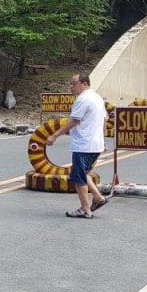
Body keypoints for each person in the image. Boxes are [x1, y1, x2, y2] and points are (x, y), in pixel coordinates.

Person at [46, 73, 109, 218]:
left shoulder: (83, 99)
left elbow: (74, 120)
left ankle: (85, 209)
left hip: (83, 145)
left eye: (73, 83)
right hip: (95, 144)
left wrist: (55, 135)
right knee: (83, 173)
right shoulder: (97, 98)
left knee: (78, 178)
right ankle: (98, 198)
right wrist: (102, 140)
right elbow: (102, 121)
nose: (71, 87)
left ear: (84, 83)